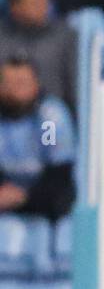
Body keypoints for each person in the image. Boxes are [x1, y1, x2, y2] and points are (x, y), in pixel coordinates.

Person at [0, 56, 74, 220]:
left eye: (21, 83)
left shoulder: (49, 119)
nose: (13, 90)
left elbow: (58, 172)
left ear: (35, 85)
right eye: (6, 83)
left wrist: (22, 196)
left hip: (43, 202)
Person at [0, 0, 77, 111]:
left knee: (51, 123)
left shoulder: (65, 38)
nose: (42, 7)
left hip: (48, 115)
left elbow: (75, 87)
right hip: (4, 117)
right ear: (14, 6)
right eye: (34, 2)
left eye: (44, 1)